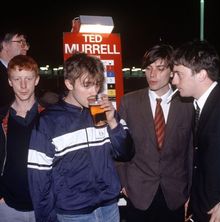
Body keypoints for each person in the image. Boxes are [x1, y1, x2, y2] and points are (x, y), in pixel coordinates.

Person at [27, 52, 134, 222]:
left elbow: (126, 154)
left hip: (109, 206)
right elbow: (39, 180)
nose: (94, 91)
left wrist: (113, 123)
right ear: (69, 83)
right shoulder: (48, 122)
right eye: (87, 85)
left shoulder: (105, 112)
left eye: (97, 84)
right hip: (73, 213)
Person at [116, 43, 194, 222]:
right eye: (148, 68)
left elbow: (190, 150)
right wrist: (123, 183)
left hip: (174, 193)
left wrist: (190, 190)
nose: (152, 75)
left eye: (160, 68)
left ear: (172, 72)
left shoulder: (187, 104)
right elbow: (119, 146)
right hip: (137, 192)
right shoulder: (129, 102)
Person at [172, 39, 220, 222]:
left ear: (201, 74)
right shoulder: (198, 106)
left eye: (178, 74)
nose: (174, 80)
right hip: (203, 208)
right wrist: (193, 199)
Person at [0, 55, 42, 222]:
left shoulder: (50, 116)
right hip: (7, 206)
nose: (23, 86)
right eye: (17, 79)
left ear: (36, 80)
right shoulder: (2, 117)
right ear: (10, 81)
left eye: (28, 79)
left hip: (45, 205)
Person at [0, 30, 30, 107]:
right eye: (21, 42)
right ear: (5, 45)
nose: (26, 48)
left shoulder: (26, 70)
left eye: (26, 43)